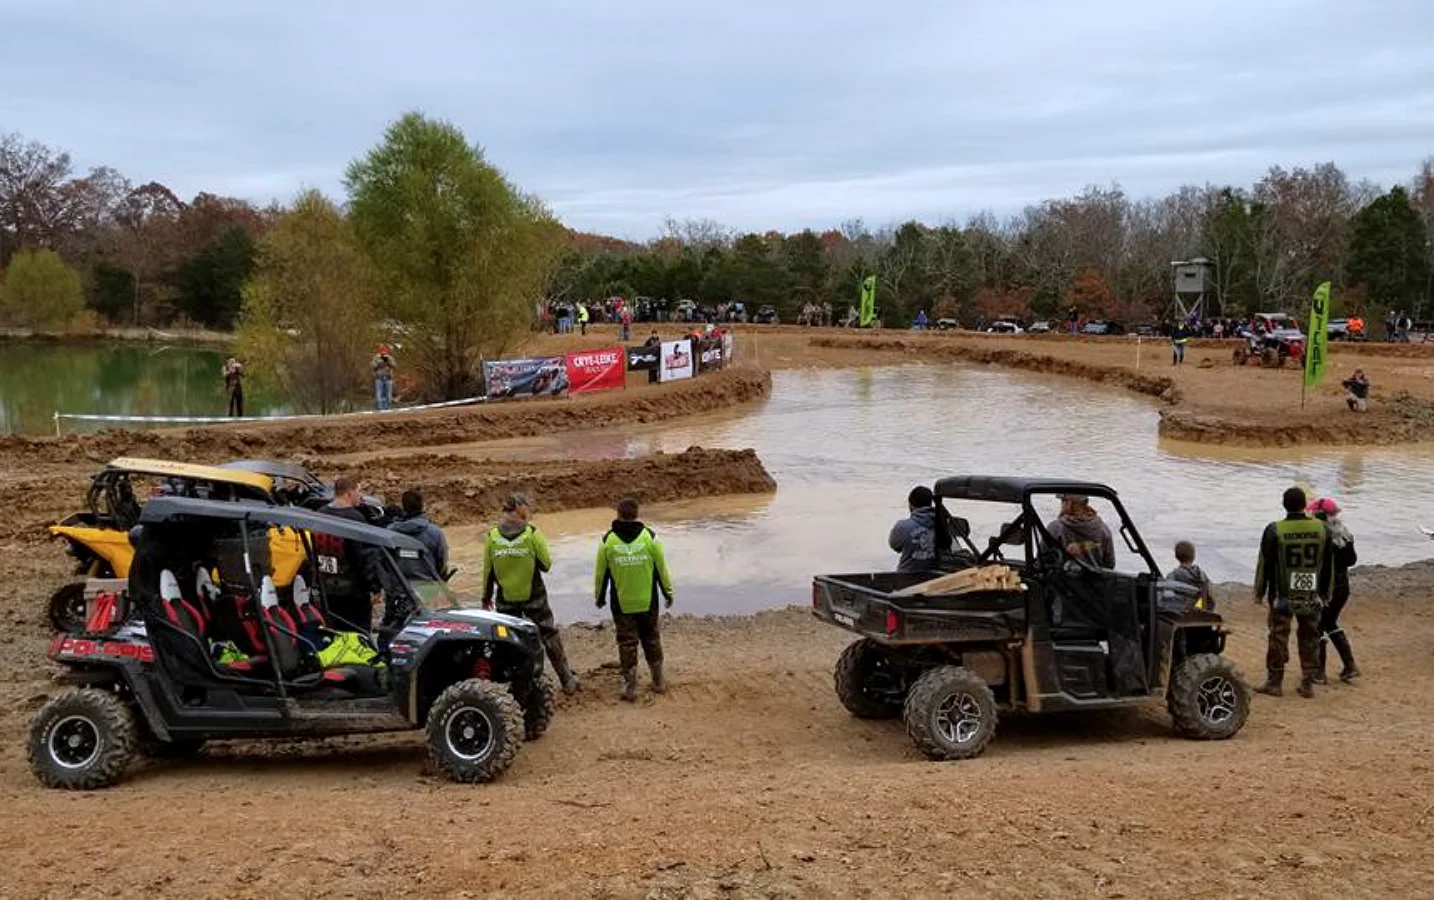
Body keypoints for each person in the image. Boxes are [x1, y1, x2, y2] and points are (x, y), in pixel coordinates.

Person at [482, 493, 581, 694]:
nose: (530, 511)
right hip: (534, 596)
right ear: (519, 508)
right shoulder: (532, 534)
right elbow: (546, 565)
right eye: (528, 507)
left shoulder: (492, 537)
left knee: (509, 640)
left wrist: (485, 598)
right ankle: (566, 679)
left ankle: (512, 684)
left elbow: (487, 572)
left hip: (506, 599)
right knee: (548, 634)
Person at [1253, 486, 1332, 698]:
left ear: (1284, 505)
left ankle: (1275, 682)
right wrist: (1326, 592)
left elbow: (1265, 564)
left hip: (1283, 594)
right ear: (1305, 504)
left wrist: (1259, 591)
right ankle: (1307, 683)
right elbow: (1327, 565)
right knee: (1310, 637)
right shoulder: (1322, 529)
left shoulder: (1275, 530)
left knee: (1278, 636)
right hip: (1311, 593)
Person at [594, 497, 674, 701]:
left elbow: (600, 574)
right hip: (648, 600)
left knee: (627, 642)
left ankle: (630, 686)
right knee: (651, 638)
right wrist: (668, 592)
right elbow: (662, 570)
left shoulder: (608, 541)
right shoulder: (650, 538)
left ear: (618, 514)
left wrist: (599, 597)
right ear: (637, 514)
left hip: (622, 602)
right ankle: (658, 681)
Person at [318, 475, 387, 632]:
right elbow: (363, 558)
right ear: (348, 493)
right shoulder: (354, 518)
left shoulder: (320, 514)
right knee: (358, 636)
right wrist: (374, 586)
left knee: (333, 633)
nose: (361, 496)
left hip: (326, 589)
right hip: (352, 592)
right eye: (358, 491)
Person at [1307, 497, 1360, 684]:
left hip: (1326, 589)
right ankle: (1349, 666)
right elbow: (1352, 561)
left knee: (1320, 625)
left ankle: (1320, 673)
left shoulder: (1319, 535)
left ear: (1320, 515)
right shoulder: (1345, 534)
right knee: (1329, 623)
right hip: (1343, 587)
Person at [388, 489, 448, 577]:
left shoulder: (389, 532)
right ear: (422, 506)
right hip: (428, 585)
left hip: (400, 586)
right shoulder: (435, 532)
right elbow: (441, 561)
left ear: (403, 507)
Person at [1045, 494, 1115, 568]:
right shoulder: (1103, 529)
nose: (1061, 504)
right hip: (1095, 578)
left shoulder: (1055, 528)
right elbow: (1110, 564)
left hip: (1062, 579)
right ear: (1086, 502)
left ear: (1068, 503)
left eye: (1063, 501)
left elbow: (1042, 561)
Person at [889, 486, 937, 573]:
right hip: (933, 576)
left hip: (905, 576)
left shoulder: (902, 526)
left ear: (911, 505)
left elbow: (895, 546)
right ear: (930, 503)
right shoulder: (942, 525)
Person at [1167, 540, 1214, 610]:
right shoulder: (1202, 574)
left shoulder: (1174, 575)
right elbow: (1208, 595)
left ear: (1176, 556)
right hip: (1200, 610)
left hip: (1182, 612)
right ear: (1194, 556)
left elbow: (1167, 595)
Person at [372, 345, 396, 411]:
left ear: (387, 351)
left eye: (384, 350)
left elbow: (394, 366)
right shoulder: (376, 358)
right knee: (379, 394)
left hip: (388, 378)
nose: (383, 352)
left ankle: (388, 409)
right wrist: (380, 363)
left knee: (388, 394)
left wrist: (388, 361)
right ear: (379, 351)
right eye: (381, 350)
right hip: (379, 378)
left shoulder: (390, 357)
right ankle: (380, 409)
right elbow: (373, 366)